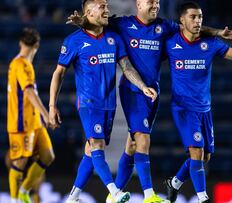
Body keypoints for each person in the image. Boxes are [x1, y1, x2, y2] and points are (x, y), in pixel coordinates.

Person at [66, 1, 232, 202]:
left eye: (158, 2)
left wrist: (219, 33)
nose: (155, 5)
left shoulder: (164, 26)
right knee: (142, 139)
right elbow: (96, 23)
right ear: (138, 3)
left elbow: (192, 29)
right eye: (151, 1)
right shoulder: (123, 24)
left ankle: (109, 195)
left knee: (132, 145)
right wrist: (81, 21)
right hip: (132, 89)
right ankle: (149, 195)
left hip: (152, 91)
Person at [163, 2, 232, 203]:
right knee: (196, 151)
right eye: (192, 17)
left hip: (204, 108)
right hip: (182, 107)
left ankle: (174, 183)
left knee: (204, 157)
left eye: (200, 17)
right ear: (182, 20)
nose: (197, 21)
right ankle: (202, 197)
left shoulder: (210, 44)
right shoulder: (171, 42)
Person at [48, 0, 158, 202]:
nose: (107, 9)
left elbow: (126, 67)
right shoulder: (74, 41)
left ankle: (73, 197)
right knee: (97, 144)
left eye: (107, 6)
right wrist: (52, 106)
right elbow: (58, 73)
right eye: (102, 6)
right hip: (89, 104)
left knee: (91, 151)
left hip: (109, 104)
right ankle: (114, 192)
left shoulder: (114, 38)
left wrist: (143, 87)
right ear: (89, 12)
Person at [7, 28, 55, 203]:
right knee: (19, 163)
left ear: (21, 43)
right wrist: (46, 113)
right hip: (22, 123)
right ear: (37, 45)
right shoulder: (22, 65)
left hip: (34, 122)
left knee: (48, 156)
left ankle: (23, 191)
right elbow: (28, 93)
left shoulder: (17, 63)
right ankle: (15, 200)